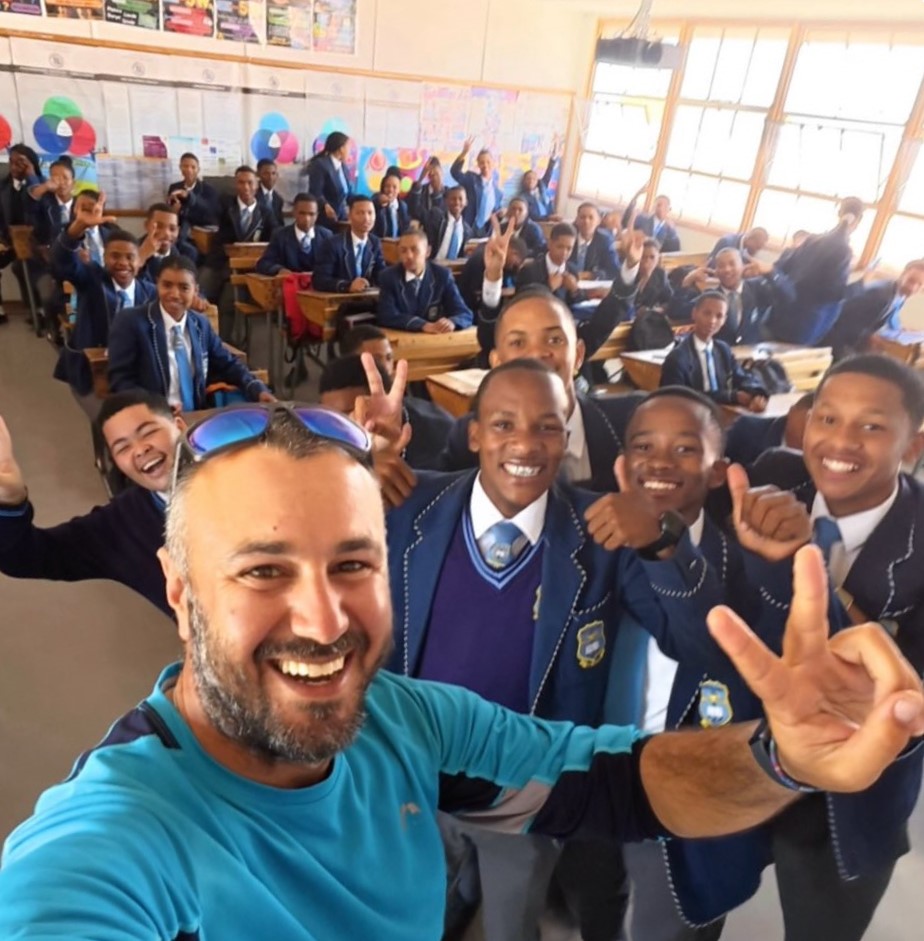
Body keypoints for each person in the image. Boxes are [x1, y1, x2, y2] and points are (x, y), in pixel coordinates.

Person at [2, 400, 922, 939]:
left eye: (353, 564)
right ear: (178, 585)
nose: (324, 621)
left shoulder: (407, 723)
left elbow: (623, 783)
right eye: (263, 569)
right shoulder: (114, 842)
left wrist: (782, 756)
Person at [745, 353, 924, 941]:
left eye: (871, 426)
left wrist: (807, 565)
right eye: (827, 418)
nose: (840, 442)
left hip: (851, 786)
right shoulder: (774, 473)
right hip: (742, 753)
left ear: (913, 444)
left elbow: (906, 693)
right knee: (692, 905)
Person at [0, 391, 182, 617]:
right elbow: (24, 557)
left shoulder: (234, 472)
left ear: (179, 425)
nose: (140, 449)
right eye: (122, 448)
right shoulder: (120, 526)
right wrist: (8, 501)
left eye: (149, 432)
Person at [108, 256, 275, 412]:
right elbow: (121, 381)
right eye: (167, 285)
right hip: (152, 417)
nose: (174, 294)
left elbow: (227, 363)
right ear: (157, 284)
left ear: (195, 290)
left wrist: (256, 388)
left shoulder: (200, 324)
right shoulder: (131, 321)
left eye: (184, 287)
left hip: (195, 417)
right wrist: (158, 408)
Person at [51, 195, 156, 402]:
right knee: (104, 424)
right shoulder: (92, 280)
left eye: (130, 257)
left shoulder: (149, 291)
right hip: (91, 373)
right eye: (115, 256)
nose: (122, 263)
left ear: (139, 261)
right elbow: (62, 262)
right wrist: (76, 228)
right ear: (104, 257)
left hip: (134, 375)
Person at [756, 196, 864, 345]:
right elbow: (833, 293)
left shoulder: (812, 240)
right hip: (804, 327)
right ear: (858, 221)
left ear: (839, 213)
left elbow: (783, 267)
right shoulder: (843, 250)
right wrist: (862, 283)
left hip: (780, 314)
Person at [319, 354, 452, 470]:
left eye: (348, 414)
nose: (336, 425)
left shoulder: (439, 441)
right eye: (330, 415)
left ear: (383, 401)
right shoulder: (325, 433)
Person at [660, 292, 768, 411]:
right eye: (707, 313)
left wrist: (756, 394)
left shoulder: (723, 349)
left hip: (724, 413)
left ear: (724, 320)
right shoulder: (678, 357)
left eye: (719, 316)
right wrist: (730, 396)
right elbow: (678, 398)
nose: (712, 321)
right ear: (694, 313)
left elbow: (742, 377)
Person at [820, 258, 924, 359]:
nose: (913, 288)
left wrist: (899, 328)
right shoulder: (880, 296)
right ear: (902, 275)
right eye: (910, 281)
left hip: (851, 339)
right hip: (835, 340)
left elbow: (882, 318)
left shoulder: (899, 293)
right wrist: (870, 337)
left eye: (919, 284)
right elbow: (845, 323)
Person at [670, 248, 774, 345]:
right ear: (715, 271)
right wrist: (686, 282)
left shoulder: (757, 288)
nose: (727, 270)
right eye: (720, 265)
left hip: (750, 355)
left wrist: (771, 273)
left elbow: (788, 300)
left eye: (732, 264)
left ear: (743, 265)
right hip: (720, 357)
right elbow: (676, 312)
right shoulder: (711, 297)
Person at [375, 230, 472, 333]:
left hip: (435, 341)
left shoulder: (442, 275)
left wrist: (452, 322)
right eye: (403, 251)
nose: (409, 256)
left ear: (427, 251)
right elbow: (386, 315)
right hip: (403, 339)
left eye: (414, 250)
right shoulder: (389, 277)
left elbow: (464, 313)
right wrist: (422, 325)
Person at [0, 144, 45, 325]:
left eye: (21, 163)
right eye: (12, 162)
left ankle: (37, 310)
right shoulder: (2, 186)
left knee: (24, 266)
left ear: (31, 164)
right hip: (8, 240)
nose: (14, 167)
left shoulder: (40, 185)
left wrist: (32, 176)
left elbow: (43, 214)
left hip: (35, 242)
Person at [312, 195, 386, 294]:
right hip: (339, 301)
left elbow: (380, 274)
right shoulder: (332, 244)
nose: (366, 218)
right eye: (360, 213)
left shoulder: (375, 242)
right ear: (349, 216)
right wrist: (347, 286)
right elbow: (319, 280)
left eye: (370, 213)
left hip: (367, 299)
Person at [724, 392, 813, 469]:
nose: (811, 428)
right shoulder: (746, 429)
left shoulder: (820, 454)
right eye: (808, 418)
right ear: (792, 411)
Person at [255, 194, 332, 276]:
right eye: (302, 213)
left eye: (311, 214)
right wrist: (279, 270)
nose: (307, 218)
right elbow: (263, 263)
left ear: (317, 215)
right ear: (294, 213)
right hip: (288, 285)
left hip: (318, 286)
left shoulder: (326, 236)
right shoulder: (280, 236)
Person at [513, 222, 584, 308]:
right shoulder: (529, 271)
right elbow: (520, 303)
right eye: (560, 247)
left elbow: (576, 305)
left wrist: (574, 290)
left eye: (569, 248)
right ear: (549, 244)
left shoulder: (572, 271)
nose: (564, 253)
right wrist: (548, 287)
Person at [456, 237, 527, 313]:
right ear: (514, 252)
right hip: (471, 309)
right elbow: (476, 292)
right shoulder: (485, 258)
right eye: (515, 265)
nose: (514, 267)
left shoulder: (503, 264)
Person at [451, 135, 504, 235]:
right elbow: (455, 172)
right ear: (478, 164)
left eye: (488, 162)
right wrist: (464, 152)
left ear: (493, 163)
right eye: (482, 162)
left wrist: (501, 214)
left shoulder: (498, 193)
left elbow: (496, 213)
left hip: (486, 231)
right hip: (468, 227)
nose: (485, 165)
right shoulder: (471, 179)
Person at [136, 202, 198, 284]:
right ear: (147, 225)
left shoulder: (186, 253)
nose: (166, 233)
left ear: (178, 231)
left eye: (172, 229)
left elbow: (192, 286)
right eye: (159, 226)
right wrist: (142, 255)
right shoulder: (131, 249)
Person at [167, 152, 221, 238]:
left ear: (198, 169)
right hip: (180, 230)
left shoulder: (209, 189)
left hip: (200, 232)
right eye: (185, 166)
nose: (189, 170)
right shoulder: (174, 188)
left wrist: (187, 198)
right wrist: (174, 211)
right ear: (180, 168)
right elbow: (170, 213)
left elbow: (209, 211)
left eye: (193, 167)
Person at [305, 131, 353, 229]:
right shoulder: (320, 165)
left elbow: (349, 193)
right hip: (325, 219)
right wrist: (325, 205)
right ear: (341, 148)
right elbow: (315, 192)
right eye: (348, 147)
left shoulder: (344, 167)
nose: (350, 151)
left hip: (342, 218)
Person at [570, 202, 619, 279]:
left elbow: (613, 270)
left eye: (591, 217)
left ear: (598, 221)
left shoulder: (605, 241)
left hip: (591, 286)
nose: (586, 221)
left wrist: (591, 275)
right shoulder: (568, 236)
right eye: (582, 217)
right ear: (577, 220)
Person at [424, 185, 472, 262]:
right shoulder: (436, 218)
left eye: (460, 199)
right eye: (453, 199)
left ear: (466, 202)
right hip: (433, 265)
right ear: (446, 201)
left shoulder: (467, 230)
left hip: (453, 269)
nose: (457, 202)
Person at [518, 142, 561, 221]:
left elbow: (549, 172)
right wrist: (548, 218)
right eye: (528, 179)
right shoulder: (522, 198)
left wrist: (553, 158)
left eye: (534, 179)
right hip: (537, 223)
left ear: (537, 181)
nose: (531, 181)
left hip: (551, 221)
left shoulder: (542, 186)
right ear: (524, 182)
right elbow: (530, 217)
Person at [632, 237, 673, 314]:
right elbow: (631, 301)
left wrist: (660, 309)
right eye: (644, 257)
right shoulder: (631, 273)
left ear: (657, 258)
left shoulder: (660, 274)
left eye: (652, 257)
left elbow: (669, 300)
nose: (647, 261)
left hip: (651, 316)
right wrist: (644, 278)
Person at [372, 171, 410, 240]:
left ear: (399, 190)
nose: (390, 190)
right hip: (381, 242)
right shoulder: (377, 202)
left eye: (394, 187)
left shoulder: (403, 206)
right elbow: (374, 201)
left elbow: (406, 228)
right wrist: (380, 204)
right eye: (387, 186)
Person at [407, 156, 446, 222]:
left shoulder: (449, 192)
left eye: (436, 173)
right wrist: (421, 178)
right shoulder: (420, 190)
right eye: (430, 173)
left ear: (441, 173)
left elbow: (442, 213)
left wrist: (437, 190)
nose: (433, 175)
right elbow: (413, 210)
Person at [256, 158, 285, 228]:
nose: (270, 177)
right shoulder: (252, 195)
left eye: (273, 173)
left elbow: (279, 223)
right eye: (266, 173)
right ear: (258, 174)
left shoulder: (278, 199)